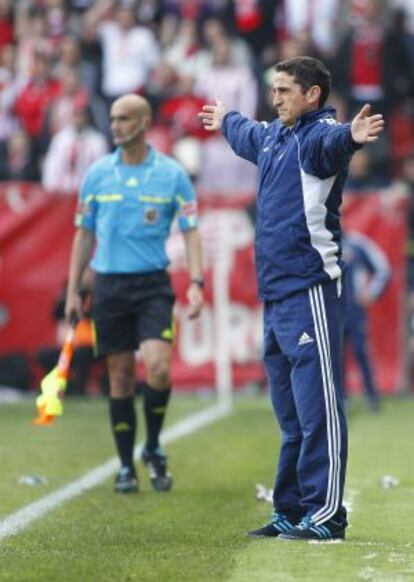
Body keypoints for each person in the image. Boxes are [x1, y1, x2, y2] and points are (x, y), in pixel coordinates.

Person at [199, 56, 384, 541]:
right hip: (276, 295)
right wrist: (225, 121)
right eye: (274, 89)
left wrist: (352, 137)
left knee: (319, 408)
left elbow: (334, 142)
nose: (275, 97)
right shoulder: (275, 137)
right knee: (292, 417)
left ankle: (326, 515)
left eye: (284, 90)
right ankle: (290, 509)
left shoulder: (317, 140)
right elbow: (246, 132)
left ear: (312, 96)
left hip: (310, 291)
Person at [65, 94, 204, 494]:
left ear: (144, 123)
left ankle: (155, 445)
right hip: (109, 286)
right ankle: (126, 464)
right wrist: (75, 290)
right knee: (120, 375)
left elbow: (191, 231)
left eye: (125, 118)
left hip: (152, 285)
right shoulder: (96, 175)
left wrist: (196, 282)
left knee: (158, 367)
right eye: (113, 118)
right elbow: (83, 234)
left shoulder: (172, 174)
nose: (116, 125)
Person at [343, 231, 391, 411]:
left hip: (355, 310)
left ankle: (371, 396)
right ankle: (341, 398)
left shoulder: (357, 243)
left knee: (360, 351)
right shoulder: (321, 243)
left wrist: (371, 293)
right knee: (334, 356)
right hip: (331, 310)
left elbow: (383, 268)